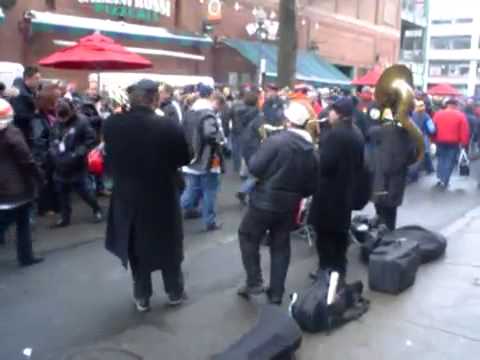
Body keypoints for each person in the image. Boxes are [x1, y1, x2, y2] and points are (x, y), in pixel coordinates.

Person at [104, 79, 191, 312]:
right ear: (154, 99)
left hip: (127, 195)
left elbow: (110, 157)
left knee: (136, 248)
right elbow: (185, 157)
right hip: (161, 194)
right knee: (169, 246)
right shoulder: (167, 126)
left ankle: (142, 296)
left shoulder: (112, 124)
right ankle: (174, 292)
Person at [237, 102, 317, 305]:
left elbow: (255, 167)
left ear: (288, 121)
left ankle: (254, 281)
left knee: (247, 236)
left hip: (264, 202)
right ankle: (276, 294)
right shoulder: (311, 150)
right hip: (289, 205)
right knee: (280, 246)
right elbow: (311, 186)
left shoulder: (276, 141)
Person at [308, 98, 365, 277]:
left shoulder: (335, 135)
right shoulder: (357, 133)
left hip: (329, 193)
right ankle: (338, 272)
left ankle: (325, 272)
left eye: (332, 111)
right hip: (347, 191)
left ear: (338, 113)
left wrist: (317, 152)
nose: (328, 114)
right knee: (340, 234)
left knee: (324, 235)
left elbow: (325, 165)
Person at [0, 99, 45, 266]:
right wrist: (39, 177)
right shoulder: (12, 134)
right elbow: (26, 160)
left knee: (16, 221)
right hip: (16, 188)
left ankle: (26, 257)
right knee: (21, 222)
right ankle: (25, 257)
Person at [49, 98, 103, 228]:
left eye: (65, 117)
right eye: (60, 117)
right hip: (60, 164)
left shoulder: (82, 121)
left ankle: (96, 209)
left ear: (71, 111)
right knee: (62, 193)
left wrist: (78, 153)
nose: (62, 120)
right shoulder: (57, 122)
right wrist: (53, 151)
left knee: (85, 192)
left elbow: (91, 140)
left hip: (77, 164)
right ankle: (65, 217)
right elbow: (52, 139)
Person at [181, 83, 224, 231]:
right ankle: (209, 221)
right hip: (208, 158)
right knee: (210, 191)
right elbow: (210, 134)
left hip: (191, 158)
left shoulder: (189, 111)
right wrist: (220, 139)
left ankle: (173, 210)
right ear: (210, 96)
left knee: (192, 189)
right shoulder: (208, 113)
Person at [369, 109, 418, 230]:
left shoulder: (376, 132)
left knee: (379, 205)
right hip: (396, 177)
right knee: (391, 211)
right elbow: (412, 157)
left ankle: (379, 228)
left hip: (379, 176)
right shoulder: (407, 134)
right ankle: (389, 233)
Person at [31, 84, 61, 215]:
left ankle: (55, 206)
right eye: (56, 98)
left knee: (54, 181)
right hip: (45, 156)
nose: (59, 101)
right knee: (46, 182)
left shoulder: (53, 113)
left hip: (54, 154)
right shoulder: (38, 117)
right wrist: (46, 154)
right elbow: (38, 139)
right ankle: (45, 207)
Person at [433, 98, 470, 189]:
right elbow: (464, 131)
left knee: (441, 159)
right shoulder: (460, 115)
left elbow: (433, 128)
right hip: (453, 142)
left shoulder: (438, 114)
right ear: (455, 105)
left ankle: (440, 178)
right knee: (450, 161)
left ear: (447, 105)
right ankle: (445, 180)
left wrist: (433, 139)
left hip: (440, 140)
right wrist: (464, 143)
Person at [10, 66, 42, 146]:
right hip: (20, 132)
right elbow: (19, 115)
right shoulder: (21, 95)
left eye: (39, 78)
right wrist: (36, 113)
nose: (39, 81)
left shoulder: (21, 84)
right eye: (36, 78)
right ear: (28, 78)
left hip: (23, 130)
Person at [409, 100, 435, 182]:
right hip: (422, 137)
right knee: (423, 154)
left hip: (411, 137)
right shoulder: (426, 116)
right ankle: (417, 173)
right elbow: (432, 129)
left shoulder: (410, 115)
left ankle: (414, 173)